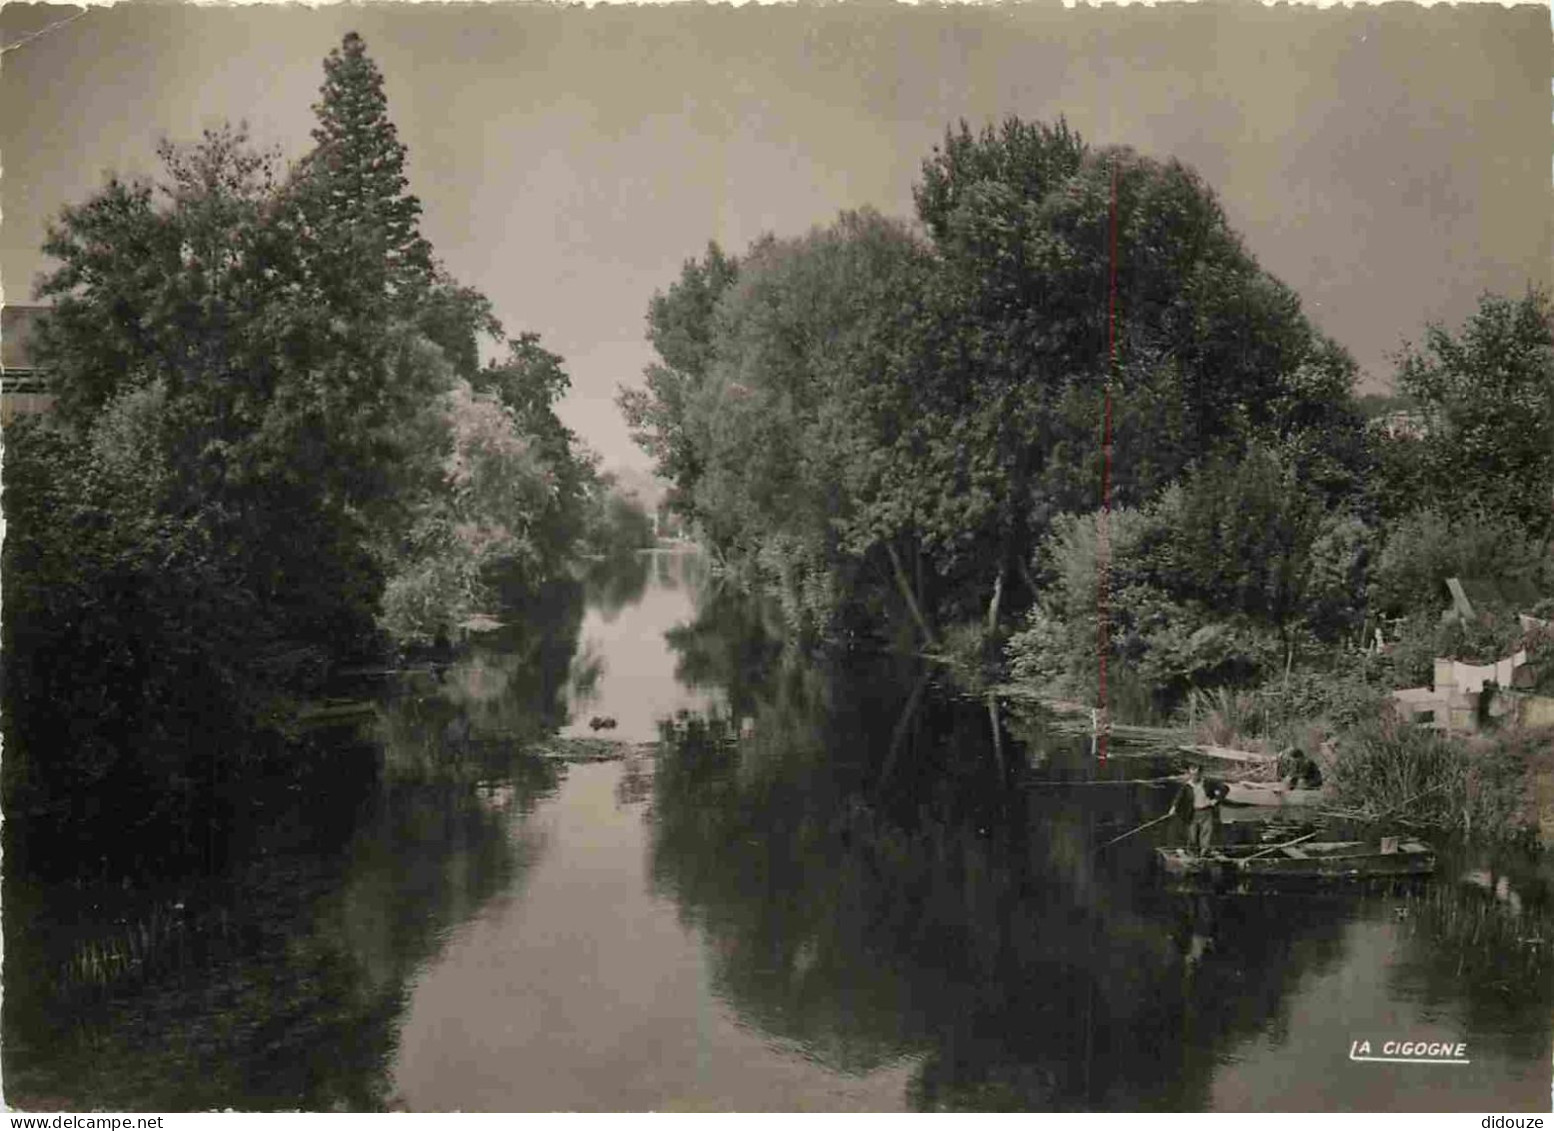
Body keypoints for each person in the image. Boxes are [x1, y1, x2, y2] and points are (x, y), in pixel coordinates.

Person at [1174, 763, 1228, 857]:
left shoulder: (1208, 783)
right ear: (1189, 774)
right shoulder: (1187, 786)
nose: (1194, 776)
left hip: (1207, 812)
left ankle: (1204, 853)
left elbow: (1225, 789)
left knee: (1206, 833)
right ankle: (1192, 853)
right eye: (1192, 774)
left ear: (1200, 773)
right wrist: (1174, 808)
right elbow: (1179, 798)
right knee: (1192, 835)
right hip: (1193, 813)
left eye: (1197, 774)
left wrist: (1216, 800)